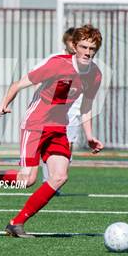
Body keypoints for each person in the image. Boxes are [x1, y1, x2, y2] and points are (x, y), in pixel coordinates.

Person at [0, 25, 104, 238]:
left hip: (59, 128)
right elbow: (18, 84)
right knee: (27, 179)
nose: (87, 52)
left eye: (92, 48)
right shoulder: (57, 64)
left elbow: (86, 107)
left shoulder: (95, 75)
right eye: (83, 47)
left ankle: (17, 223)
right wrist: (2, 105)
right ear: (74, 47)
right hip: (35, 124)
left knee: (59, 176)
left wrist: (90, 136)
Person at [41, 27, 81, 186]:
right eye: (72, 41)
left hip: (74, 111)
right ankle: (48, 180)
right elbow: (37, 74)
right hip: (55, 112)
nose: (74, 45)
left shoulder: (83, 62)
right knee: (50, 146)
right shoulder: (55, 58)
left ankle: (55, 178)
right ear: (66, 41)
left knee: (68, 147)